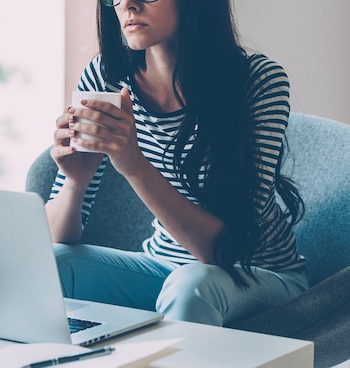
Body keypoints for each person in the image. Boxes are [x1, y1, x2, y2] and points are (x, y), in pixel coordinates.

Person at [46, 0, 309, 326]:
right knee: (52, 265)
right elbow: (54, 238)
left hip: (256, 273)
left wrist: (134, 165)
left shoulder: (257, 81)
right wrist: (75, 181)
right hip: (166, 268)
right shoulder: (106, 77)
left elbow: (226, 252)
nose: (128, 4)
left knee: (191, 287)